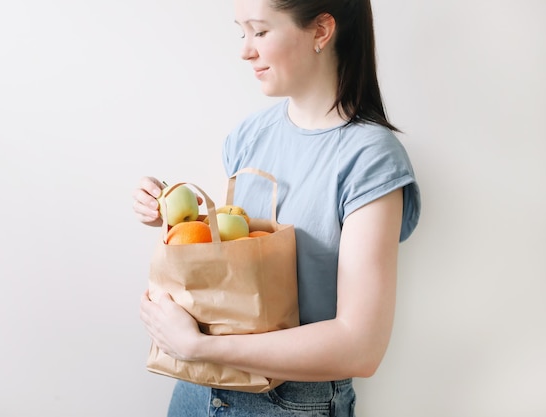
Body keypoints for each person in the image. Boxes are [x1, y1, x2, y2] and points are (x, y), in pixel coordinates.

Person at [132, 0, 421, 415]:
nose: (245, 50)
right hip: (198, 389)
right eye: (242, 32)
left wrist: (199, 345)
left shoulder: (370, 158)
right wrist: (172, 211)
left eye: (260, 31)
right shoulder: (248, 136)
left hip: (288, 401)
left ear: (321, 31)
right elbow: (235, 262)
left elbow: (361, 346)